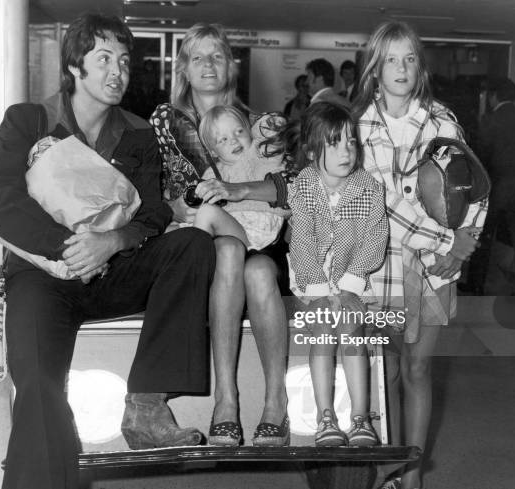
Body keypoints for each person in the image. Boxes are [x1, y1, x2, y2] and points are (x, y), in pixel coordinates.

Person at [0, 13, 215, 489]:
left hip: (115, 272)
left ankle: (146, 405)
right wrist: (70, 249)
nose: (117, 73)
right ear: (74, 67)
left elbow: (153, 215)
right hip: (42, 275)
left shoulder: (138, 134)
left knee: (192, 245)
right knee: (39, 385)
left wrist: (110, 242)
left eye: (125, 62)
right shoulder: (30, 120)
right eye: (103, 59)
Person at [352, 21, 486, 489]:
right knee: (383, 369)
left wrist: (466, 240)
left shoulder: (442, 120)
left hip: (434, 268)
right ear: (375, 67)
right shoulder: (358, 125)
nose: (402, 67)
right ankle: (385, 463)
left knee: (418, 367)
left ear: (420, 66)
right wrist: (446, 242)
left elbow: (474, 187)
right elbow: (381, 200)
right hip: (376, 262)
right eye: (391, 58)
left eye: (410, 58)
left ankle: (411, 477)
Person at [150, 23, 293, 447]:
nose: (208, 65)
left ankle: (274, 402)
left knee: (260, 273)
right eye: (198, 57)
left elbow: (295, 186)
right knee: (229, 254)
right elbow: (156, 190)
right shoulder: (165, 122)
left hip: (260, 239)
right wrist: (173, 205)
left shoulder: (262, 125)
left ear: (231, 66)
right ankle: (226, 399)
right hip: (195, 243)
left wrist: (241, 189)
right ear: (184, 69)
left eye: (217, 56)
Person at [287, 102, 388, 447]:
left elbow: (376, 237)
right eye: (334, 143)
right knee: (322, 331)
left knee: (352, 331)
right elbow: (301, 238)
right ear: (312, 150)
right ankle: (325, 416)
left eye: (351, 142)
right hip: (310, 278)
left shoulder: (369, 187)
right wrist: (318, 290)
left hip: (354, 279)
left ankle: (361, 417)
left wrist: (349, 285)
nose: (346, 151)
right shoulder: (302, 187)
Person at [466, 77, 515, 295]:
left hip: (495, 188)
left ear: (493, 96)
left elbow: (481, 159)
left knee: (482, 237)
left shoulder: (489, 121)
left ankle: (476, 284)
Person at [192, 104, 289, 250]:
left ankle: (193, 268)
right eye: (223, 139)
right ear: (213, 152)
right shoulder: (213, 173)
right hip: (231, 227)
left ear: (249, 131)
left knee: (207, 213)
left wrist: (258, 123)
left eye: (239, 131)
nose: (233, 140)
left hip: (257, 228)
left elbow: (277, 125)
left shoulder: (260, 153)